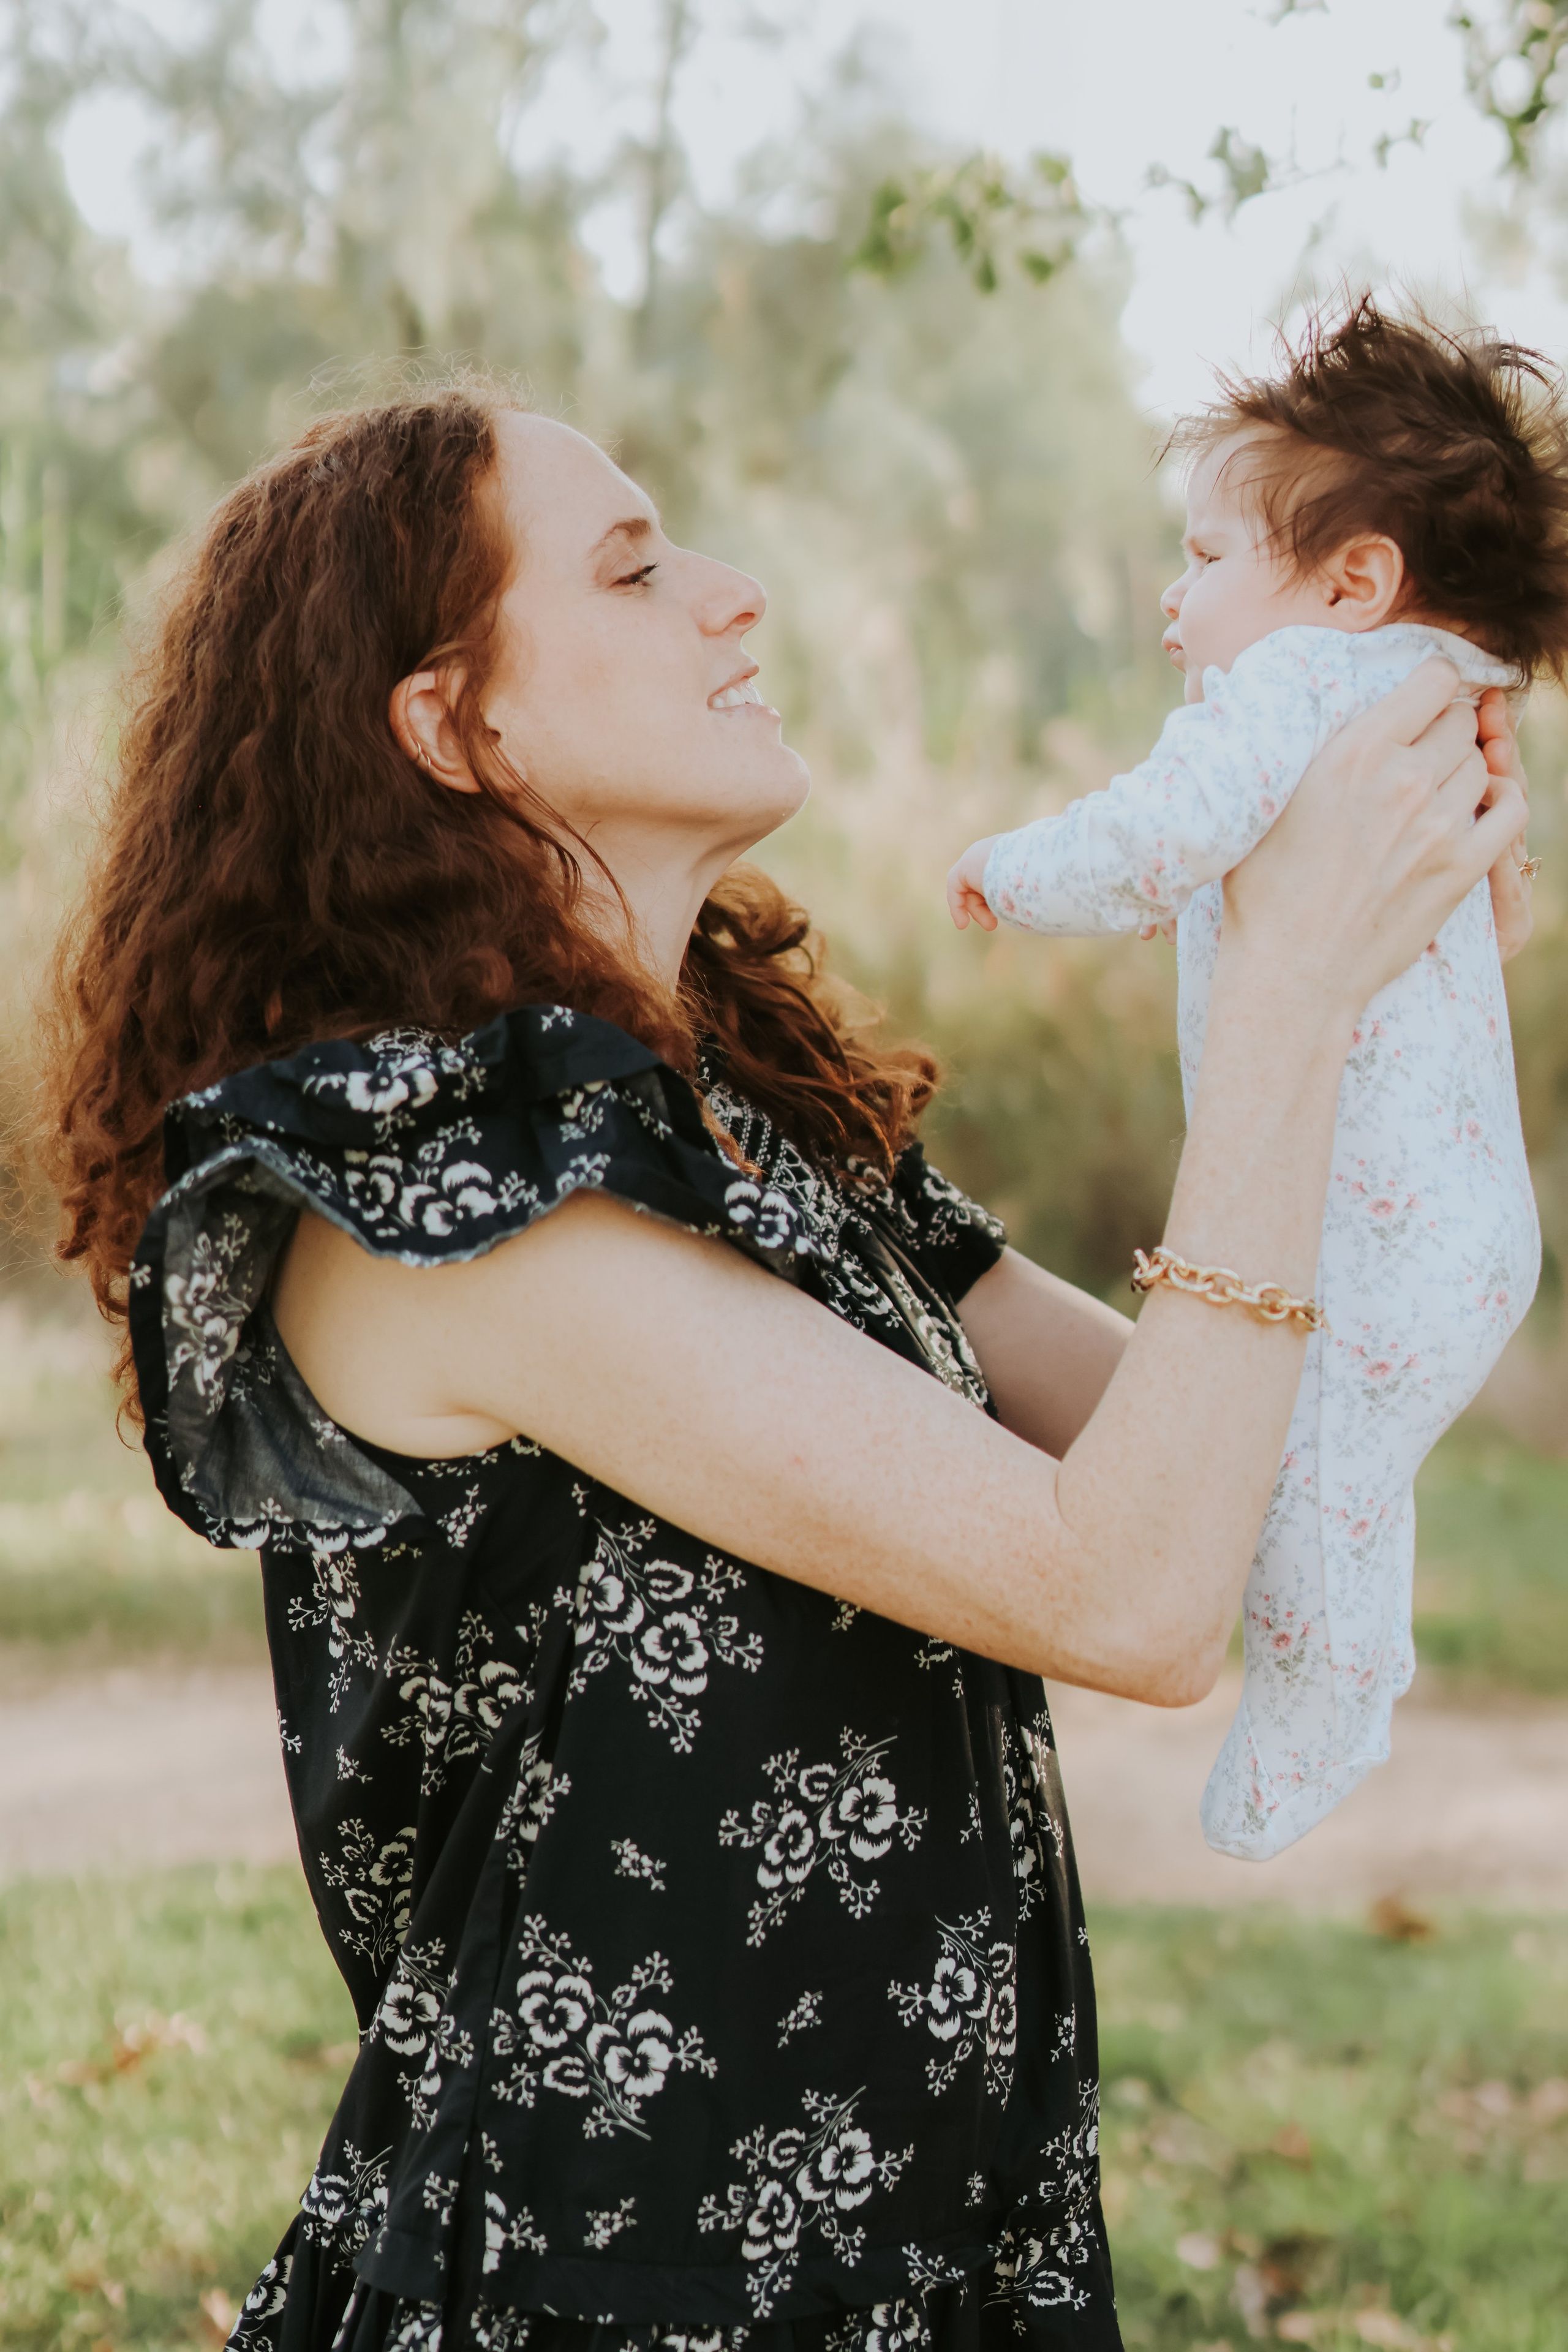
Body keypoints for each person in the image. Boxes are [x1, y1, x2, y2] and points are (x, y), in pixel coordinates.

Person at [40, 382, 1529, 2352]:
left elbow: (1224, 1477)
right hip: (633, 2292)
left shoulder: (754, 1119)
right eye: (639, 569)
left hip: (937, 2252)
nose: (736, 598)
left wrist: (1387, 996)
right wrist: (1283, 995)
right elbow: (1139, 1597)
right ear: (450, 723)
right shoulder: (437, 1199)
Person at [946, 299, 1548, 1863]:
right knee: (1328, 1459)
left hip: (1379, 1226)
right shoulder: (1434, 695)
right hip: (1450, 1213)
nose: (1174, 590)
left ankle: (1320, 1694)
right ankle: (1353, 1651)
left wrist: (1008, 871)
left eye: (1209, 556)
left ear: (1353, 581)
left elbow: (1158, 835)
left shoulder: (1289, 695)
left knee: (1302, 1454)